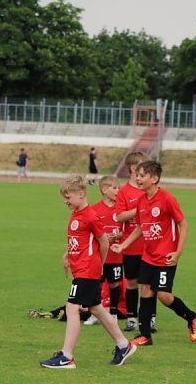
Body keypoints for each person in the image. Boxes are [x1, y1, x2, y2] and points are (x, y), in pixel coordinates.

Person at [40, 175, 137, 369]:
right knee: (95, 308)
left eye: (68, 197)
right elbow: (80, 240)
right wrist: (68, 255)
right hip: (82, 268)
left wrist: (98, 264)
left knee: (72, 307)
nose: (65, 201)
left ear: (81, 194)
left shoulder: (91, 215)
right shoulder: (77, 213)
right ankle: (124, 344)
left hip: (87, 270)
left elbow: (103, 241)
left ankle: (67, 356)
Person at [111, 160, 196, 347]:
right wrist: (123, 245)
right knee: (146, 292)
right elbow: (141, 228)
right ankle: (145, 335)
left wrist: (178, 253)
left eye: (142, 175)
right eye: (137, 175)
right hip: (148, 256)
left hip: (166, 257)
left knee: (164, 296)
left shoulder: (167, 199)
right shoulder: (142, 201)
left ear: (154, 178)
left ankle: (191, 317)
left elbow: (183, 224)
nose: (138, 178)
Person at [114, 151, 151, 333]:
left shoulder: (149, 190)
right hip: (130, 246)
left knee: (149, 285)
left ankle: (150, 318)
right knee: (131, 283)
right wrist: (139, 210)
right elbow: (120, 216)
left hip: (150, 245)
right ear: (133, 168)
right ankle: (131, 317)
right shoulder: (124, 192)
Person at [89, 175, 124, 326]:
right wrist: (102, 238)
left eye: (119, 188)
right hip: (100, 256)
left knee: (114, 284)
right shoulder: (94, 209)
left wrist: (118, 235)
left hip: (116, 255)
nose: (118, 191)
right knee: (96, 284)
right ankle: (95, 313)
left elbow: (129, 230)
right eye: (115, 188)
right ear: (104, 190)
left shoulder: (122, 210)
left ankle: (114, 314)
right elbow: (89, 232)